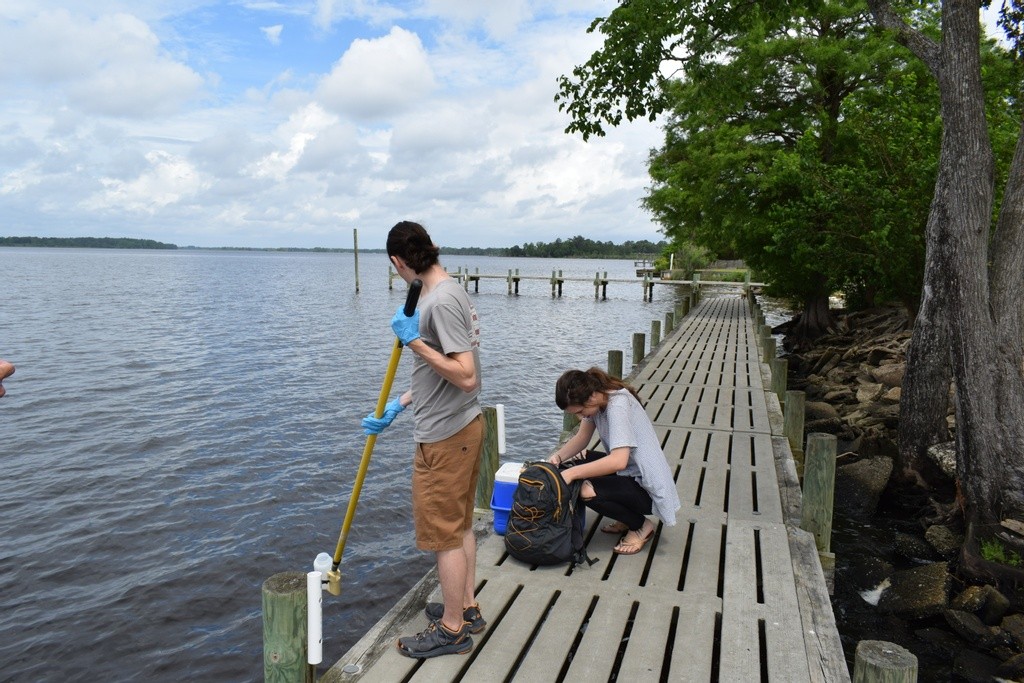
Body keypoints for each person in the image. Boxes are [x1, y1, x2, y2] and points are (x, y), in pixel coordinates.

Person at [361, 221, 484, 659]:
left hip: (445, 437)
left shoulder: (440, 301)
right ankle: (465, 608)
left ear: (397, 262)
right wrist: (400, 403)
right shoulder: (449, 290)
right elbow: (442, 368)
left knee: (445, 536)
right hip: (461, 426)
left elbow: (466, 376)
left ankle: (452, 630)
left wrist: (413, 341)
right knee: (461, 525)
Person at [547, 367, 680, 555]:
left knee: (585, 490)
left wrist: (571, 474)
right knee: (574, 461)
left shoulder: (617, 406)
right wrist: (556, 458)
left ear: (591, 397)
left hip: (647, 487)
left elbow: (618, 461)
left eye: (580, 411)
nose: (580, 417)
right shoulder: (599, 399)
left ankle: (640, 526)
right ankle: (625, 517)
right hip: (628, 473)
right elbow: (582, 438)